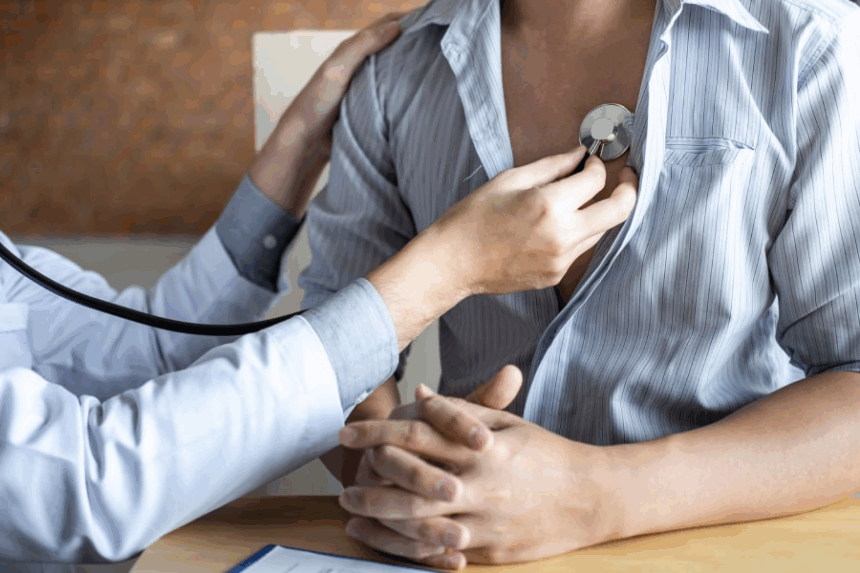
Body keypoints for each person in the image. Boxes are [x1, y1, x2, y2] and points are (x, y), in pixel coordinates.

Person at [0, 11, 638, 571]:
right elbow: (83, 485)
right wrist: (448, 267)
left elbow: (148, 349)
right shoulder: (402, 78)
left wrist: (299, 143)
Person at [295, 0, 860, 569]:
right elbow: (332, 347)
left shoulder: (813, 44)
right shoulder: (394, 72)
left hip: (730, 551)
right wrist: (396, 471)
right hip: (468, 554)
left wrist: (594, 494)